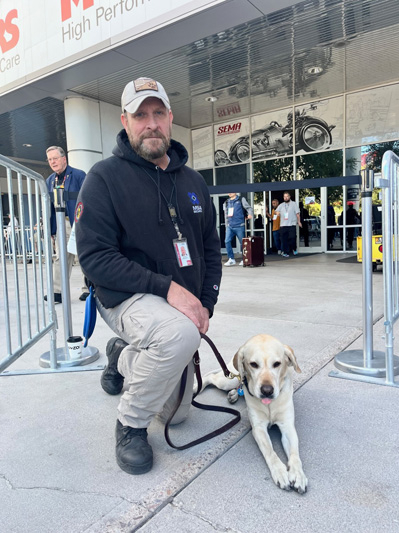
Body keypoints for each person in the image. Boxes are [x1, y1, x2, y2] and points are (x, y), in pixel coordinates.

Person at [75, 77, 222, 476]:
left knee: (177, 416)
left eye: (158, 113)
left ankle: (121, 357)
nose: (151, 123)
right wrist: (167, 288)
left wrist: (205, 302)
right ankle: (130, 425)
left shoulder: (193, 182)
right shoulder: (103, 178)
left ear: (171, 119)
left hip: (177, 306)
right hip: (124, 296)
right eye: (141, 115)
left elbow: (211, 248)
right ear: (125, 121)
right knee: (177, 336)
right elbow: (94, 258)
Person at [45, 146, 87, 303]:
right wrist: (51, 229)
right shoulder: (49, 180)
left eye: (55, 158)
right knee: (60, 257)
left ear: (64, 159)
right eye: (49, 159)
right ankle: (58, 292)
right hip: (61, 223)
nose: (52, 162)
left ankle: (88, 289)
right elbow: (49, 206)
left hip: (78, 222)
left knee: (83, 256)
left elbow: (88, 198)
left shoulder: (78, 175)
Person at [223, 192, 253, 266]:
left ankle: (244, 259)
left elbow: (249, 208)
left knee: (242, 243)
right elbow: (226, 215)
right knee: (227, 241)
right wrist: (226, 226)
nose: (229, 193)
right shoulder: (226, 202)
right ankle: (231, 259)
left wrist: (250, 214)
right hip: (230, 226)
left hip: (239, 225)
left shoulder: (241, 199)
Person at [276, 191, 302, 257]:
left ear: (289, 197)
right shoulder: (281, 205)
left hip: (291, 224)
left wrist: (299, 222)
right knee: (284, 240)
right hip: (283, 225)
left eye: (287, 196)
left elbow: (297, 214)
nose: (286, 198)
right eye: (284, 197)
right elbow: (276, 211)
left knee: (292, 238)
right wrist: (277, 213)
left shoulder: (294, 204)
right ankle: (285, 252)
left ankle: (294, 249)